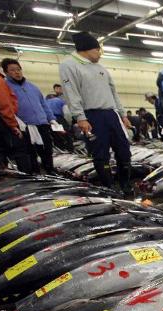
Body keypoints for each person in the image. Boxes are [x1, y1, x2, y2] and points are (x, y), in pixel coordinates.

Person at [59, 32, 133, 192]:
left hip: (111, 114)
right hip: (91, 116)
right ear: (87, 49)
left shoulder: (100, 68)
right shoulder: (69, 65)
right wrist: (80, 117)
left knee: (124, 151)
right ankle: (109, 187)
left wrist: (122, 114)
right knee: (101, 154)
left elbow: (113, 92)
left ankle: (126, 185)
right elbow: (71, 93)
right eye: (98, 50)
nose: (100, 54)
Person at [2, 58, 56, 174]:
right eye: (12, 70)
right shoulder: (5, 87)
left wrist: (51, 119)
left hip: (42, 123)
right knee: (30, 153)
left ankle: (50, 171)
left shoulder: (32, 86)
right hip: (25, 126)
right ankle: (35, 174)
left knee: (47, 150)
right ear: (6, 72)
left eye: (18, 69)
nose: (17, 72)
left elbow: (43, 104)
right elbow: (6, 107)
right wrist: (15, 123)